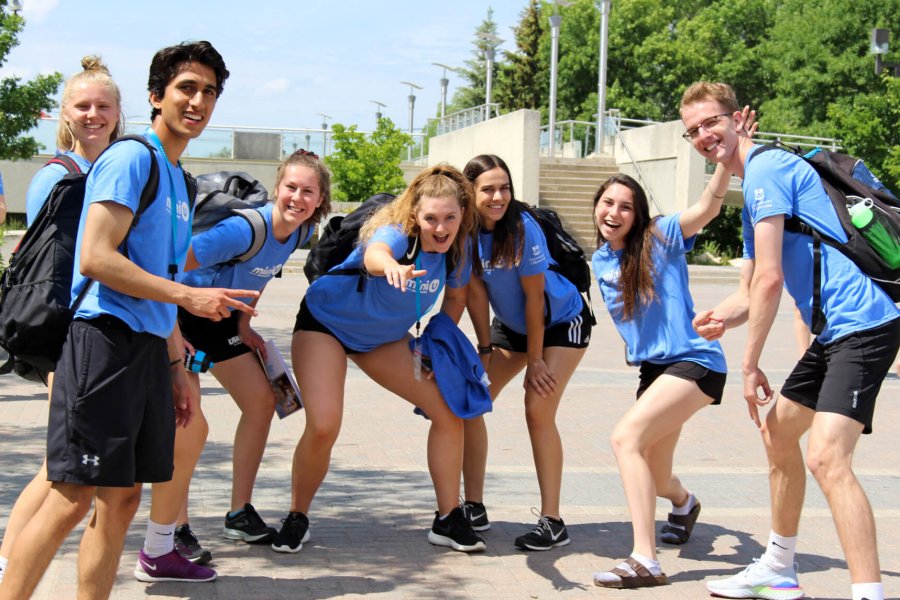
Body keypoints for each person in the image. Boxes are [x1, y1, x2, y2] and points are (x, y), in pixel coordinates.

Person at [0, 41, 261, 600]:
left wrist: (174, 365)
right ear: (155, 97)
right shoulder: (131, 158)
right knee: (72, 496)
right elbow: (95, 256)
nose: (198, 101)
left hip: (145, 349)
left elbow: (158, 278)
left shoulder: (180, 182)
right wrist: (188, 299)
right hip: (101, 341)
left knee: (121, 499)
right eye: (186, 88)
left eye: (208, 91)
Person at [683, 81, 900, 600]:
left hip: (867, 322)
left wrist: (750, 363)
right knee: (779, 433)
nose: (703, 135)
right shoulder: (754, 193)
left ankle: (868, 593)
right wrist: (720, 318)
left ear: (737, 120)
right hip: (837, 331)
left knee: (826, 458)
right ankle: (778, 567)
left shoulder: (767, 170)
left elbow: (771, 280)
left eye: (711, 122)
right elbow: (751, 292)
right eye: (693, 130)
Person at [275, 165, 486, 554]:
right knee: (324, 425)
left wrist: (434, 344)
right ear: (415, 215)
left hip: (382, 340)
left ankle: (448, 518)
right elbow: (375, 252)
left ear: (462, 215)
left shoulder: (460, 247)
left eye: (450, 218)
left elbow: (455, 298)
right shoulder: (396, 232)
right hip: (326, 326)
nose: (441, 228)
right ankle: (296, 516)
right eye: (431, 218)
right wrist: (391, 266)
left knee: (448, 412)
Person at [136, 149, 330, 568]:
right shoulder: (242, 230)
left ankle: (239, 513)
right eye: (291, 187)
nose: (297, 197)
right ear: (277, 189)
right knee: (187, 423)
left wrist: (245, 328)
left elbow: (260, 275)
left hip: (223, 322)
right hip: (182, 318)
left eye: (308, 191)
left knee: (261, 403)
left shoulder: (299, 232)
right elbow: (169, 269)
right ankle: (177, 528)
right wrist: (172, 333)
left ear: (320, 200)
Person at [0, 55, 124, 585]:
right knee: (66, 470)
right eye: (83, 105)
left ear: (120, 113)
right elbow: (60, 261)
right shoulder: (58, 175)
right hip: (62, 331)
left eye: (103, 106)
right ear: (64, 114)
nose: (93, 114)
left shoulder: (114, 169)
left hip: (92, 332)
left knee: (63, 467)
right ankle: (10, 567)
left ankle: (7, 562)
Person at [588, 165, 732, 588]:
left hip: (695, 361)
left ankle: (644, 559)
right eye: (608, 203)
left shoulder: (660, 237)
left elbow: (706, 208)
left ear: (639, 214)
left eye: (626, 207)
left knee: (625, 438)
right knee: (656, 472)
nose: (614, 213)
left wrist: (724, 161)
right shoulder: (600, 259)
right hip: (654, 371)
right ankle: (685, 504)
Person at [459, 154, 591, 551]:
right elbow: (475, 291)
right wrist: (484, 347)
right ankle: (474, 507)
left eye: (505, 187)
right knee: (470, 400)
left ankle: (552, 521)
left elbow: (535, 299)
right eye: (488, 189)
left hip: (560, 320)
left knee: (537, 407)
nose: (499, 196)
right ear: (470, 193)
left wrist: (535, 361)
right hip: (512, 327)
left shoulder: (523, 227)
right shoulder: (464, 230)